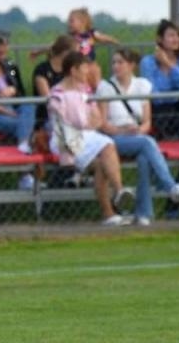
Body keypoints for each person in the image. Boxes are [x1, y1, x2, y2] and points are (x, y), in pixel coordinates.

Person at [95, 47, 179, 224]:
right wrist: (123, 131)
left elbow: (146, 122)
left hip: (137, 137)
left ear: (131, 65)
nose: (115, 66)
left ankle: (143, 213)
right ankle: (171, 187)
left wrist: (138, 131)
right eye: (113, 62)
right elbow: (102, 124)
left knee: (144, 157)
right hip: (113, 139)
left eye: (120, 62)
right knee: (147, 142)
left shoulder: (142, 85)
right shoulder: (105, 87)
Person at [49, 52, 131, 225]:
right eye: (84, 68)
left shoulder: (85, 90)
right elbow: (71, 122)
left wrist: (87, 122)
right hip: (66, 139)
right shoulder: (57, 94)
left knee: (104, 159)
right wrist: (86, 122)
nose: (87, 72)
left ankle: (110, 211)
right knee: (107, 147)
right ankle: (118, 193)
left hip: (86, 135)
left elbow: (97, 119)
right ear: (73, 70)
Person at [139, 20, 179, 141]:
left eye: (178, 35)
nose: (176, 39)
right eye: (171, 35)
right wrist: (177, 94)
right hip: (160, 106)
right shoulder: (147, 62)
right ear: (160, 39)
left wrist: (168, 64)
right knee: (165, 109)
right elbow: (154, 95)